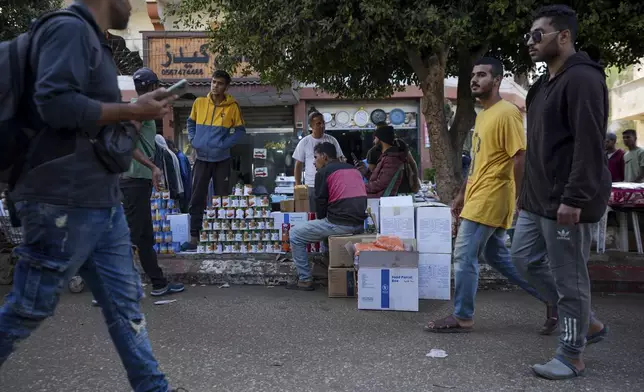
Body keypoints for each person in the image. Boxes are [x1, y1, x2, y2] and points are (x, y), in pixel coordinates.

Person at [0, 1, 184, 390]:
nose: (131, 4)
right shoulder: (68, 29)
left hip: (100, 197)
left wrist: (132, 114)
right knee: (30, 306)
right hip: (60, 198)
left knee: (125, 306)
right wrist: (129, 110)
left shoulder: (95, 42)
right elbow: (53, 103)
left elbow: (89, 122)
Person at [513, 5, 610, 380]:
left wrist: (575, 198)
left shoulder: (583, 79)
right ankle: (585, 320)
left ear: (564, 36)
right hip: (536, 201)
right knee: (523, 261)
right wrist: (524, 198)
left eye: (538, 34)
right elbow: (538, 148)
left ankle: (571, 354)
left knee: (570, 279)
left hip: (566, 203)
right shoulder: (544, 84)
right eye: (529, 35)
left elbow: (589, 144)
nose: (530, 42)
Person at [424, 57, 552, 334]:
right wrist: (461, 196)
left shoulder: (507, 112)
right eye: (473, 75)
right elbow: (478, 164)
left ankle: (462, 316)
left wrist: (520, 197)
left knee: (463, 254)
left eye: (482, 75)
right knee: (498, 257)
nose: (474, 80)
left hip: (493, 195)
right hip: (479, 194)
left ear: (496, 81)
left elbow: (519, 156)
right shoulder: (483, 116)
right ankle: (554, 300)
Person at [122, 68, 184, 297]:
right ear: (149, 87)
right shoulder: (139, 109)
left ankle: (151, 283)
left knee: (136, 234)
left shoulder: (138, 106)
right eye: (155, 86)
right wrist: (152, 167)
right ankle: (155, 283)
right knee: (140, 235)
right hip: (134, 179)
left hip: (136, 179)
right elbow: (128, 142)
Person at [288, 142, 366, 291]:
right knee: (324, 227)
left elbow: (321, 206)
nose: (313, 162)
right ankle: (325, 267)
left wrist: (322, 221)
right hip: (359, 224)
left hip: (341, 224)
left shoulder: (323, 173)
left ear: (324, 157)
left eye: (315, 157)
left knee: (295, 234)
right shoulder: (354, 170)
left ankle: (304, 280)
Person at [182, 70, 246, 251]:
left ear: (226, 86)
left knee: (222, 199)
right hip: (201, 159)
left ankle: (221, 238)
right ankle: (194, 239)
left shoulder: (232, 107)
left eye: (219, 83)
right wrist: (194, 140)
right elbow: (190, 123)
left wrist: (224, 144)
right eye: (213, 82)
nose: (215, 86)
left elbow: (241, 131)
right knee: (196, 198)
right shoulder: (199, 103)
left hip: (222, 161)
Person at [293, 112, 345, 211]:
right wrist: (298, 184)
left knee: (330, 212)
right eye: (318, 123)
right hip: (311, 186)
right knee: (313, 213)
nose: (322, 126)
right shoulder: (304, 142)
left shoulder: (332, 140)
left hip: (330, 184)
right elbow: (298, 164)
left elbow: (340, 160)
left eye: (323, 123)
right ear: (311, 126)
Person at [364, 126, 409, 198]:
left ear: (380, 139)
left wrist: (360, 188)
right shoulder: (388, 157)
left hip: (379, 200)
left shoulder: (391, 159)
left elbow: (381, 184)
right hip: (377, 198)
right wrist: (365, 171)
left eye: (375, 138)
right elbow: (381, 180)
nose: (374, 141)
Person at [166, 139, 192, 212]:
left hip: (185, 189)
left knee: (184, 209)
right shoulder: (179, 156)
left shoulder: (180, 157)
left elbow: (184, 174)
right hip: (184, 189)